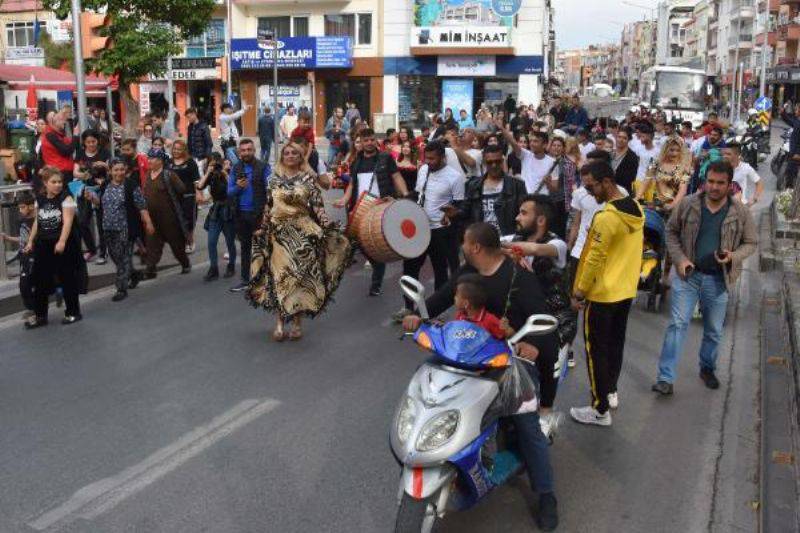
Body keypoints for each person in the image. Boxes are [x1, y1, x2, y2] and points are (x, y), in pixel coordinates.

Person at [402, 222, 559, 532]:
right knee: (427, 383)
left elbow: (544, 321)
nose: (461, 245)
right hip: (466, 355)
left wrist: (533, 345)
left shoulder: (519, 278)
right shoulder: (467, 273)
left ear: (474, 246)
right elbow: (443, 298)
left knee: (528, 427)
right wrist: (416, 317)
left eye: (463, 241)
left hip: (510, 360)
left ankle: (546, 494)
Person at [652, 161, 757, 395]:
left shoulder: (740, 212)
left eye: (720, 183)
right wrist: (680, 260)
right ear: (704, 181)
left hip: (718, 279)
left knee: (713, 330)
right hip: (688, 276)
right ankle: (665, 378)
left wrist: (733, 256)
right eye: (710, 181)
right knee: (677, 325)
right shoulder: (689, 204)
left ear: (730, 185)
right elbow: (670, 232)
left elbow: (751, 243)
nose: (714, 187)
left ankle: (707, 368)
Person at [246, 141, 351, 341]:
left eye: (295, 152)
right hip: (279, 236)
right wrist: (263, 228)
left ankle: (296, 323)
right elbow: (269, 207)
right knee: (281, 279)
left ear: (300, 156)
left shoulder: (308, 180)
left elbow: (318, 207)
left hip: (303, 236)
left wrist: (327, 224)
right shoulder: (273, 180)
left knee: (299, 280)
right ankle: (279, 323)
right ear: (282, 156)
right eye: (287, 153)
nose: (291, 155)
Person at [570, 161, 643, 426]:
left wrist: (579, 290)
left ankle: (599, 409)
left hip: (602, 294)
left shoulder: (606, 217)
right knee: (615, 345)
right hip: (625, 290)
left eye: (592, 186)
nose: (589, 193)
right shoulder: (634, 207)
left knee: (596, 351)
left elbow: (593, 258)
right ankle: (610, 391)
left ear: (607, 182)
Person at [504, 195, 573, 436]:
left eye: (523, 213)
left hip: (554, 319)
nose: (517, 217)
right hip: (524, 316)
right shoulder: (515, 239)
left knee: (547, 365)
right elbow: (487, 241)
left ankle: (546, 412)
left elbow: (533, 249)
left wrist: (511, 250)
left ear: (540, 219)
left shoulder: (558, 245)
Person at [393, 140, 465, 321]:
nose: (429, 162)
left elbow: (459, 205)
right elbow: (418, 194)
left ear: (443, 157)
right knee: (409, 268)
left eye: (433, 159)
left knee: (440, 271)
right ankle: (408, 307)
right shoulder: (424, 170)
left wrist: (451, 214)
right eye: (427, 158)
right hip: (419, 229)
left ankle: (436, 312)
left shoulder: (455, 177)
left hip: (440, 231)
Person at [332, 128, 409, 296]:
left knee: (376, 244)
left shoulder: (385, 158)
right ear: (360, 141)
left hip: (380, 207)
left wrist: (405, 195)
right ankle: (376, 267)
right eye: (365, 140)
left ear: (376, 141)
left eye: (371, 140)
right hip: (361, 208)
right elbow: (352, 185)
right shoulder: (356, 162)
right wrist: (344, 200)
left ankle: (376, 283)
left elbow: (396, 177)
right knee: (362, 244)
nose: (369, 143)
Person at [23, 168, 83, 328]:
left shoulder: (66, 198)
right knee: (40, 280)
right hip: (43, 243)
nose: (57, 185)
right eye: (53, 182)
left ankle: (73, 312)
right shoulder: (40, 199)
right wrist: (30, 241)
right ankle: (40, 315)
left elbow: (68, 221)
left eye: (59, 182)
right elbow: (37, 221)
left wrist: (62, 241)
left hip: (63, 244)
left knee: (67, 278)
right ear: (45, 183)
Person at [87, 159, 154, 301]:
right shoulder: (105, 185)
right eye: (116, 170)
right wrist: (92, 199)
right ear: (110, 171)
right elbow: (101, 203)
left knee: (123, 258)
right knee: (115, 257)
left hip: (125, 229)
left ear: (126, 170)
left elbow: (141, 206)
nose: (119, 172)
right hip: (108, 228)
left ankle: (121, 288)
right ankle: (134, 274)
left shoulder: (131, 185)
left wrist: (148, 222)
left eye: (122, 169)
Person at [454, 144, 526, 236]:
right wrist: (455, 213)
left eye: (497, 161)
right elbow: (465, 212)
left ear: (503, 161)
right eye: (489, 162)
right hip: (482, 238)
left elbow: (524, 213)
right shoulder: (473, 185)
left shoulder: (516, 185)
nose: (494, 165)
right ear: (484, 162)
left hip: (508, 237)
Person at [228, 139, 271, 292]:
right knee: (245, 248)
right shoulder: (235, 168)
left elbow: (271, 190)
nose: (246, 153)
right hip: (241, 215)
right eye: (243, 150)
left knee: (263, 248)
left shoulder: (264, 167)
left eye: (249, 150)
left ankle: (266, 279)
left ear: (254, 151)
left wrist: (268, 210)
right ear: (239, 153)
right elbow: (229, 191)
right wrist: (238, 187)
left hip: (259, 214)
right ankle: (245, 280)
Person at [141, 148, 191, 278]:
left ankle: (185, 263)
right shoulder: (147, 175)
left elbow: (182, 190)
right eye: (149, 157)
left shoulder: (169, 175)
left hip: (169, 219)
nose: (149, 160)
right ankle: (150, 270)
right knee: (152, 245)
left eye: (152, 158)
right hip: (152, 219)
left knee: (176, 245)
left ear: (161, 161)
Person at [197, 153, 237, 281]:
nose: (217, 166)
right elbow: (199, 186)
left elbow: (233, 188)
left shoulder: (230, 174)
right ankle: (213, 269)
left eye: (217, 163)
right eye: (212, 163)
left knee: (230, 241)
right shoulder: (212, 175)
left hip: (228, 210)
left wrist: (225, 173)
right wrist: (208, 172)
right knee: (211, 242)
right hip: (215, 211)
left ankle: (231, 266)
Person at [73, 130, 110, 263]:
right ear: (84, 142)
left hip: (101, 190)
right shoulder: (80, 154)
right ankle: (91, 249)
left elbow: (110, 170)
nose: (91, 144)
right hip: (84, 189)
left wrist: (103, 165)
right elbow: (75, 172)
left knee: (101, 223)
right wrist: (84, 175)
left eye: (93, 141)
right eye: (88, 142)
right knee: (82, 221)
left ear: (97, 141)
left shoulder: (104, 153)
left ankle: (103, 253)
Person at [0, 192, 36, 316]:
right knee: (24, 284)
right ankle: (32, 308)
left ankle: (36, 308)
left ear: (31, 206)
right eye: (20, 207)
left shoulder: (35, 221)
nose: (20, 210)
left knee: (30, 283)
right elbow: (23, 238)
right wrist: (9, 238)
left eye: (22, 207)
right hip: (24, 256)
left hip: (33, 256)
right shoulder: (22, 221)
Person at [500, 123, 555, 195]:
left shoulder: (552, 162)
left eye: (535, 141)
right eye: (531, 141)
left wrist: (548, 184)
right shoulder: (526, 155)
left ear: (544, 145)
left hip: (542, 201)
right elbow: (513, 142)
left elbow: (554, 189)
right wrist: (501, 128)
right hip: (525, 199)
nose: (531, 144)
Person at [168, 139, 201, 254]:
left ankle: (190, 242)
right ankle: (182, 241)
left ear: (184, 150)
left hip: (189, 196)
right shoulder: (169, 162)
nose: (176, 151)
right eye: (174, 148)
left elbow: (196, 180)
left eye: (179, 149)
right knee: (176, 220)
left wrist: (198, 193)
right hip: (174, 197)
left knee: (188, 221)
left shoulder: (190, 162)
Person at [453, 273, 508, 339]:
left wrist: (504, 329)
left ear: (466, 304)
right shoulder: (460, 316)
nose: (454, 297)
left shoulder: (490, 320)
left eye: (456, 295)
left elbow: (504, 335)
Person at [542, 136, 576, 238]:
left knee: (559, 230)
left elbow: (570, 182)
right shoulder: (545, 161)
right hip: (546, 199)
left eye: (559, 146)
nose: (556, 148)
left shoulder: (567, 163)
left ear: (563, 148)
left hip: (561, 200)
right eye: (554, 145)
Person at [723, 142, 763, 208]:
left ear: (737, 154)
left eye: (728, 154)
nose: (725, 156)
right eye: (724, 154)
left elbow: (759, 183)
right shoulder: (719, 166)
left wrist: (754, 199)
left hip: (740, 206)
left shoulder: (745, 167)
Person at [40, 113, 76, 182]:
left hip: (60, 170)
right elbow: (66, 151)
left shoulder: (56, 134)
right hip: (61, 171)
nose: (64, 123)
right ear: (56, 122)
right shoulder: (50, 135)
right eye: (62, 120)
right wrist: (75, 137)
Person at [611, 126, 640, 194]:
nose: (621, 140)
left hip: (623, 192)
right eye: (619, 137)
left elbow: (630, 179)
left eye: (624, 138)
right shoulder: (610, 153)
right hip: (609, 191)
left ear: (628, 140)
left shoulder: (632, 157)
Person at [186, 108, 214, 174]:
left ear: (194, 114)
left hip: (201, 157)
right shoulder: (190, 127)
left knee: (200, 176)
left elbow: (209, 143)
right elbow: (189, 141)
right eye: (187, 117)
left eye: (189, 117)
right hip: (192, 156)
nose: (188, 119)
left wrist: (207, 157)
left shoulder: (203, 126)